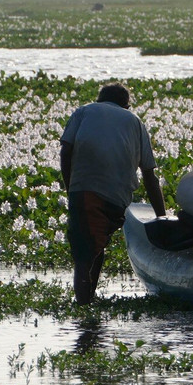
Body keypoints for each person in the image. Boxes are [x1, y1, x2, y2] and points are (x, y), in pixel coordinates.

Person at [60, 82, 166, 305]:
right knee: (94, 247)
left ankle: (83, 309)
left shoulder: (83, 112)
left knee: (84, 252)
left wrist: (71, 188)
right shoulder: (135, 122)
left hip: (84, 192)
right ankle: (88, 303)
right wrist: (162, 216)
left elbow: (66, 151)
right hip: (116, 199)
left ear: (99, 99)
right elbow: (149, 175)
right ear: (126, 105)